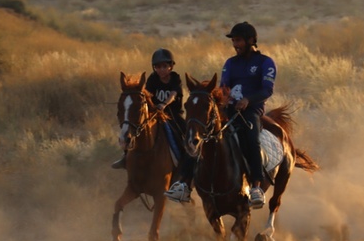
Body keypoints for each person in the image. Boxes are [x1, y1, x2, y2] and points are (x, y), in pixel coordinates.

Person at [167, 22, 276, 208]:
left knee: (251, 138)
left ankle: (256, 185)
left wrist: (248, 100)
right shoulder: (230, 63)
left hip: (251, 111)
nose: (235, 44)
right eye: (233, 41)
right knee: (199, 136)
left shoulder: (265, 63)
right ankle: (184, 184)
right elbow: (224, 85)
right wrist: (223, 98)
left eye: (239, 40)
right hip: (229, 109)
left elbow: (267, 90)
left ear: (251, 40)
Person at [113, 49, 195, 184]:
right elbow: (147, 96)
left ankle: (189, 161)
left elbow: (173, 94)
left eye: (164, 66)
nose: (161, 70)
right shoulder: (152, 79)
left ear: (171, 66)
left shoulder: (175, 78)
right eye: (158, 67)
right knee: (137, 131)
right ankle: (126, 156)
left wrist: (164, 104)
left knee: (186, 134)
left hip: (173, 115)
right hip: (156, 114)